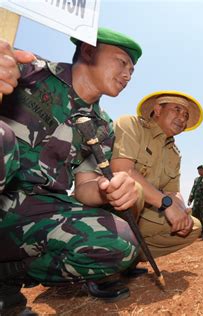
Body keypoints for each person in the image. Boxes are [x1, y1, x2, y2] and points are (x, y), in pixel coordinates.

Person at [0, 27, 144, 311]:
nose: (128, 74)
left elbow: (85, 187)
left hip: (32, 211)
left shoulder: (101, 126)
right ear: (89, 50)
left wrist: (116, 190)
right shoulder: (28, 71)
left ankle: (6, 280)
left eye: (132, 69)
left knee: (119, 241)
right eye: (122, 62)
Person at [111, 90, 202, 262]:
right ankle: (107, 254)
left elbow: (172, 191)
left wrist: (181, 211)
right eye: (176, 109)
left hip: (144, 214)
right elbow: (122, 170)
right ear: (158, 109)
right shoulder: (130, 124)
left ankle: (128, 259)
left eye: (186, 115)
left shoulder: (174, 153)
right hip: (113, 208)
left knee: (193, 226)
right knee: (133, 190)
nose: (182, 118)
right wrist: (167, 205)